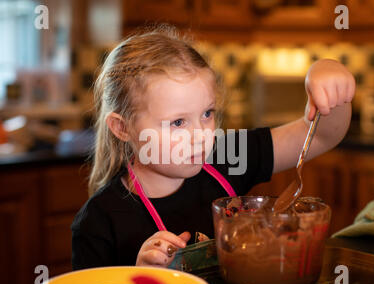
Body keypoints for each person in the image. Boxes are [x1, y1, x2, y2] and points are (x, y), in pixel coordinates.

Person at [71, 25, 355, 270]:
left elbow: (321, 136)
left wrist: (330, 80)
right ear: (123, 128)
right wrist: (138, 280)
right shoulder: (98, 224)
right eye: (179, 122)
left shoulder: (229, 156)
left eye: (207, 114)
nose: (201, 136)